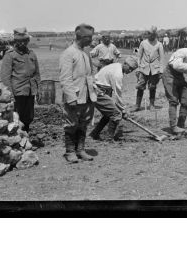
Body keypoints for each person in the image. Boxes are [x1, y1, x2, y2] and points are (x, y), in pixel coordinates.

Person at [59, 24, 97, 163]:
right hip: (74, 97)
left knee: (83, 124)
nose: (91, 41)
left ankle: (80, 150)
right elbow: (65, 78)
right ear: (82, 37)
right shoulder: (68, 53)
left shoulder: (86, 53)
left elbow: (90, 75)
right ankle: (70, 152)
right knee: (70, 124)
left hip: (87, 96)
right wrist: (71, 98)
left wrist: (93, 91)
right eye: (89, 38)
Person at [0, 27, 41, 132]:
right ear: (15, 41)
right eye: (19, 41)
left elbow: (37, 73)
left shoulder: (31, 54)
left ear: (28, 41)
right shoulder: (10, 55)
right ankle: (17, 143)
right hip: (17, 92)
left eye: (24, 41)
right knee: (17, 118)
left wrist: (38, 89)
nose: (22, 43)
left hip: (30, 91)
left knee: (29, 117)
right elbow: (5, 77)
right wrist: (10, 95)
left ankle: (25, 139)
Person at [90, 56, 138, 141]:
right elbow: (118, 94)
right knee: (116, 114)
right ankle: (109, 139)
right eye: (130, 68)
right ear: (125, 64)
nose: (130, 71)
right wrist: (123, 110)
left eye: (132, 70)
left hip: (100, 89)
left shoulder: (117, 65)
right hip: (97, 91)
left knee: (109, 114)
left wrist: (121, 108)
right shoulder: (118, 74)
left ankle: (94, 134)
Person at [163, 43, 187, 133]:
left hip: (179, 77)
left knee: (186, 100)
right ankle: (173, 127)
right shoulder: (182, 52)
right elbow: (176, 66)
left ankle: (181, 125)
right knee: (173, 100)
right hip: (169, 75)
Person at [135, 26, 165, 111]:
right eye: (149, 34)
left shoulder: (159, 44)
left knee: (152, 87)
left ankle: (152, 105)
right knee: (140, 86)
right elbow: (139, 56)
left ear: (155, 35)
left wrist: (161, 71)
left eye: (152, 34)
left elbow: (162, 58)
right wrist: (138, 68)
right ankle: (137, 105)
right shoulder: (143, 43)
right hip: (143, 69)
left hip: (155, 70)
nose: (150, 36)